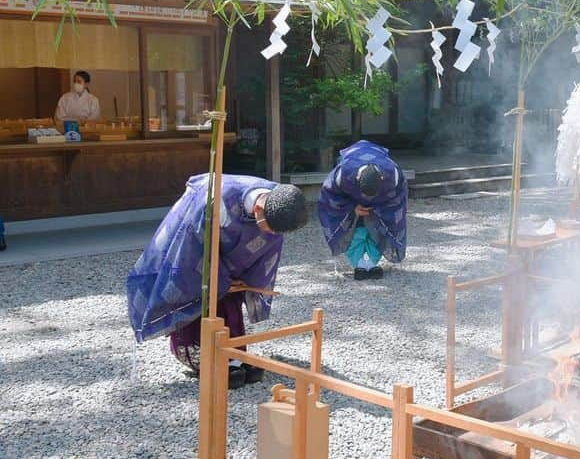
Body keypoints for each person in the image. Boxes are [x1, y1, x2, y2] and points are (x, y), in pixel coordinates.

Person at [127, 175, 308, 388]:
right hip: (196, 249)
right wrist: (219, 280)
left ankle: (235, 356)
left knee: (231, 301)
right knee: (201, 297)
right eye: (269, 228)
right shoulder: (214, 202)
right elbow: (192, 251)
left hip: (232, 260)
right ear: (259, 209)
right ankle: (202, 357)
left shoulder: (281, 200)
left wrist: (245, 280)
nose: (271, 234)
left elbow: (267, 248)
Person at [318, 141, 407, 280]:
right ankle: (359, 264)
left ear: (382, 178)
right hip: (351, 200)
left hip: (381, 202)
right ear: (357, 178)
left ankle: (371, 264)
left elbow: (398, 197)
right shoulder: (343, 173)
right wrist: (351, 208)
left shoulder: (393, 173)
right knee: (355, 233)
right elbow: (329, 196)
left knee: (379, 231)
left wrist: (379, 209)